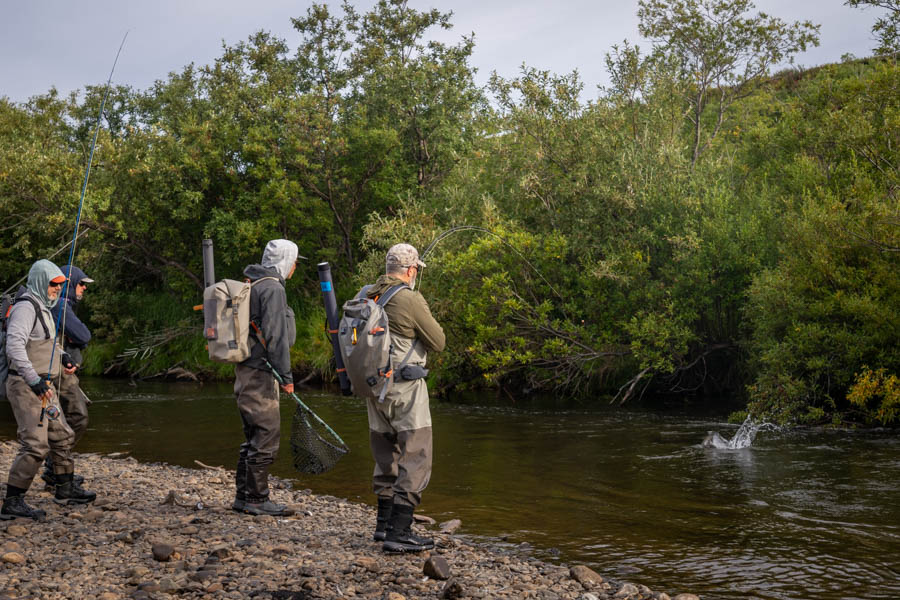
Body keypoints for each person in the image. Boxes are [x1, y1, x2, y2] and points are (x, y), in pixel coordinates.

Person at [2, 260, 96, 520]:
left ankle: (65, 488)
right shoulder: (25, 308)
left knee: (63, 435)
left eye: (60, 285)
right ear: (42, 281)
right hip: (27, 386)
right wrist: (34, 380)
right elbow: (15, 347)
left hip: (45, 386)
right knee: (35, 444)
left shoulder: (45, 306)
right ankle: (13, 502)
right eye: (54, 284)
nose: (57, 288)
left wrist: (64, 355)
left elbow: (46, 343)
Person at [366, 243, 445, 553]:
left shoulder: (366, 294)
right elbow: (438, 342)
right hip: (404, 387)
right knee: (416, 454)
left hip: (374, 389)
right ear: (411, 271)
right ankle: (400, 532)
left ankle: (383, 526)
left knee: (385, 454)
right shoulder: (409, 298)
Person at [233, 239, 298, 517]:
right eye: (294, 261)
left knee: (253, 434)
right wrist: (286, 376)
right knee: (267, 433)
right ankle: (257, 500)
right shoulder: (272, 288)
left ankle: (242, 496)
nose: (295, 267)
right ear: (285, 262)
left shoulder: (255, 284)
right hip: (260, 372)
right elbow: (276, 336)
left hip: (248, 369)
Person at [43, 265, 94, 486]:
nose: (84, 288)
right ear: (71, 284)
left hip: (59, 369)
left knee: (63, 419)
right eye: (82, 284)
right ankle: (54, 467)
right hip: (60, 374)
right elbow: (84, 335)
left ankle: (55, 467)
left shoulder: (59, 304)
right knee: (78, 417)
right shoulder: (61, 305)